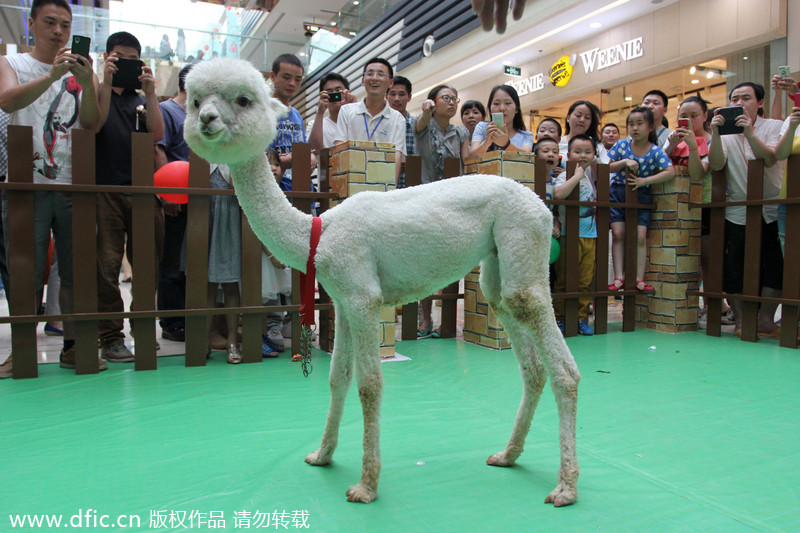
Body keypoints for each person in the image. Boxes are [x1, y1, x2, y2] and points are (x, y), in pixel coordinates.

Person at [0, 0, 101, 377]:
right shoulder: (12, 64)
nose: (58, 31)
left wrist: (87, 83)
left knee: (77, 271)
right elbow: (7, 100)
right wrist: (50, 76)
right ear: (32, 24)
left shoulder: (82, 71)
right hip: (27, 183)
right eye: (50, 22)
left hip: (74, 183)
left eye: (65, 24)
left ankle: (75, 347)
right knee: (24, 271)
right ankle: (21, 353)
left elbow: (91, 123)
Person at [94, 31, 165, 363]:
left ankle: (143, 332)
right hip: (104, 189)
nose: (126, 65)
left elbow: (157, 133)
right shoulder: (96, 92)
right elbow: (93, 123)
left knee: (146, 268)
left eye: (132, 59)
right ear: (108, 57)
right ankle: (110, 336)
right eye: (119, 58)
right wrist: (106, 82)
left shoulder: (142, 98)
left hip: (143, 191)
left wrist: (151, 92)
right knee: (105, 268)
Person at [709, 82, 784, 337]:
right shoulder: (725, 132)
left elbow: (771, 157)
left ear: (760, 103)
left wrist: (750, 132)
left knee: (775, 267)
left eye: (746, 98)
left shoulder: (773, 126)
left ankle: (765, 320)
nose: (739, 103)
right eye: (734, 98)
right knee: (734, 268)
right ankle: (741, 321)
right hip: (737, 209)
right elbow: (717, 164)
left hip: (771, 207)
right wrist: (716, 134)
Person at [413, 84, 471, 337]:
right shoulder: (424, 124)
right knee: (424, 260)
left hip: (452, 201)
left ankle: (446, 322)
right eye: (446, 98)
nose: (452, 103)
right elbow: (419, 125)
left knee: (449, 259)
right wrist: (425, 111)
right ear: (433, 101)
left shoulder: (460, 132)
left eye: (454, 99)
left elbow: (467, 161)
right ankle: (425, 318)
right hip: (425, 199)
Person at [607, 107, 675, 294]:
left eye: (640, 123)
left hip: (642, 194)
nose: (635, 128)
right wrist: (624, 162)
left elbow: (670, 172)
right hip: (618, 193)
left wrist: (645, 180)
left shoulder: (655, 151)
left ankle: (638, 278)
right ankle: (619, 276)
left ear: (651, 126)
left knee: (640, 236)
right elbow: (607, 167)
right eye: (631, 124)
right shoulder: (621, 145)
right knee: (618, 233)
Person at [155, 63, 193, 343]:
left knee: (192, 260)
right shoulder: (168, 111)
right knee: (172, 260)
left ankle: (191, 316)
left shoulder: (200, 113)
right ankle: (171, 320)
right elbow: (159, 149)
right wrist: (167, 193)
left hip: (200, 198)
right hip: (176, 196)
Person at [334, 57, 406, 185]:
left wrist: (389, 189)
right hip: (351, 183)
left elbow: (396, 156)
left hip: (381, 183)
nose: (374, 78)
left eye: (381, 74)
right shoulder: (346, 111)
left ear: (390, 82)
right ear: (363, 81)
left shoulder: (397, 119)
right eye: (370, 73)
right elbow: (340, 150)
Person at [552, 134, 598, 336]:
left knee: (585, 281)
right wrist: (576, 176)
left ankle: (581, 319)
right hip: (568, 236)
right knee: (563, 280)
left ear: (594, 155)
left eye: (587, 152)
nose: (583, 155)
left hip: (590, 235)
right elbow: (559, 194)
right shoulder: (566, 174)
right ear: (568, 154)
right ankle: (561, 319)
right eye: (578, 151)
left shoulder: (592, 175)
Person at [205, 164, 243, 364]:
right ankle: (203, 340)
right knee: (205, 281)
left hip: (230, 211)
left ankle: (232, 341)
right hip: (204, 209)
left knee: (230, 280)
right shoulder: (201, 150)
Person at [260, 148, 292, 357]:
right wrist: (271, 254)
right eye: (267, 163)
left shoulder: (283, 192)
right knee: (261, 295)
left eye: (277, 164)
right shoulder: (257, 192)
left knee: (276, 291)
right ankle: (258, 335)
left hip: (279, 249)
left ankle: (272, 330)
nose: (273, 168)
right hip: (262, 252)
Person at [306, 72, 356, 186]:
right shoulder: (315, 124)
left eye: (338, 91)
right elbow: (314, 150)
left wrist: (354, 105)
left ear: (347, 92)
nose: (334, 96)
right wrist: (320, 112)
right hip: (326, 183)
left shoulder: (357, 119)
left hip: (355, 179)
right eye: (329, 93)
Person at [269, 54, 308, 192]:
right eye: (286, 77)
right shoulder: (263, 111)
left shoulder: (297, 115)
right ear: (273, 76)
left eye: (298, 79)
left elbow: (303, 150)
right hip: (273, 184)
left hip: (299, 183)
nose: (292, 83)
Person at [469, 84, 533, 155]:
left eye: (508, 103)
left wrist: (506, 144)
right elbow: (472, 156)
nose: (502, 108)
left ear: (516, 109)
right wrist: (486, 144)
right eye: (496, 104)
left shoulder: (526, 135)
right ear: (490, 109)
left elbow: (527, 156)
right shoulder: (482, 127)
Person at [776, 104, 800, 252]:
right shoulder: (792, 120)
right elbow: (780, 154)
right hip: (788, 198)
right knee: (791, 256)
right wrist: (792, 126)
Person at [532, 136, 564, 238]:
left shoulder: (557, 184)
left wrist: (556, 225)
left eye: (555, 152)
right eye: (546, 151)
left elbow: (556, 211)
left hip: (548, 232)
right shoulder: (528, 182)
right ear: (535, 156)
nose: (551, 154)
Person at [387, 76, 415, 188]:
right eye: (392, 94)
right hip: (386, 186)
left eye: (402, 94)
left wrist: (412, 164)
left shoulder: (417, 125)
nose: (397, 99)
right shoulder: (380, 125)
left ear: (409, 97)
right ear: (386, 96)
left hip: (412, 188)